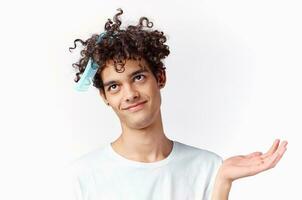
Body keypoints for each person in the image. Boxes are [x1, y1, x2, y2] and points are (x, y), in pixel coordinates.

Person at [68, 8, 288, 200]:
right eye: (114, 86)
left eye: (138, 77)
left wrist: (222, 183)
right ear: (104, 97)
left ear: (160, 78)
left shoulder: (208, 168)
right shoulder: (84, 176)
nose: (130, 94)